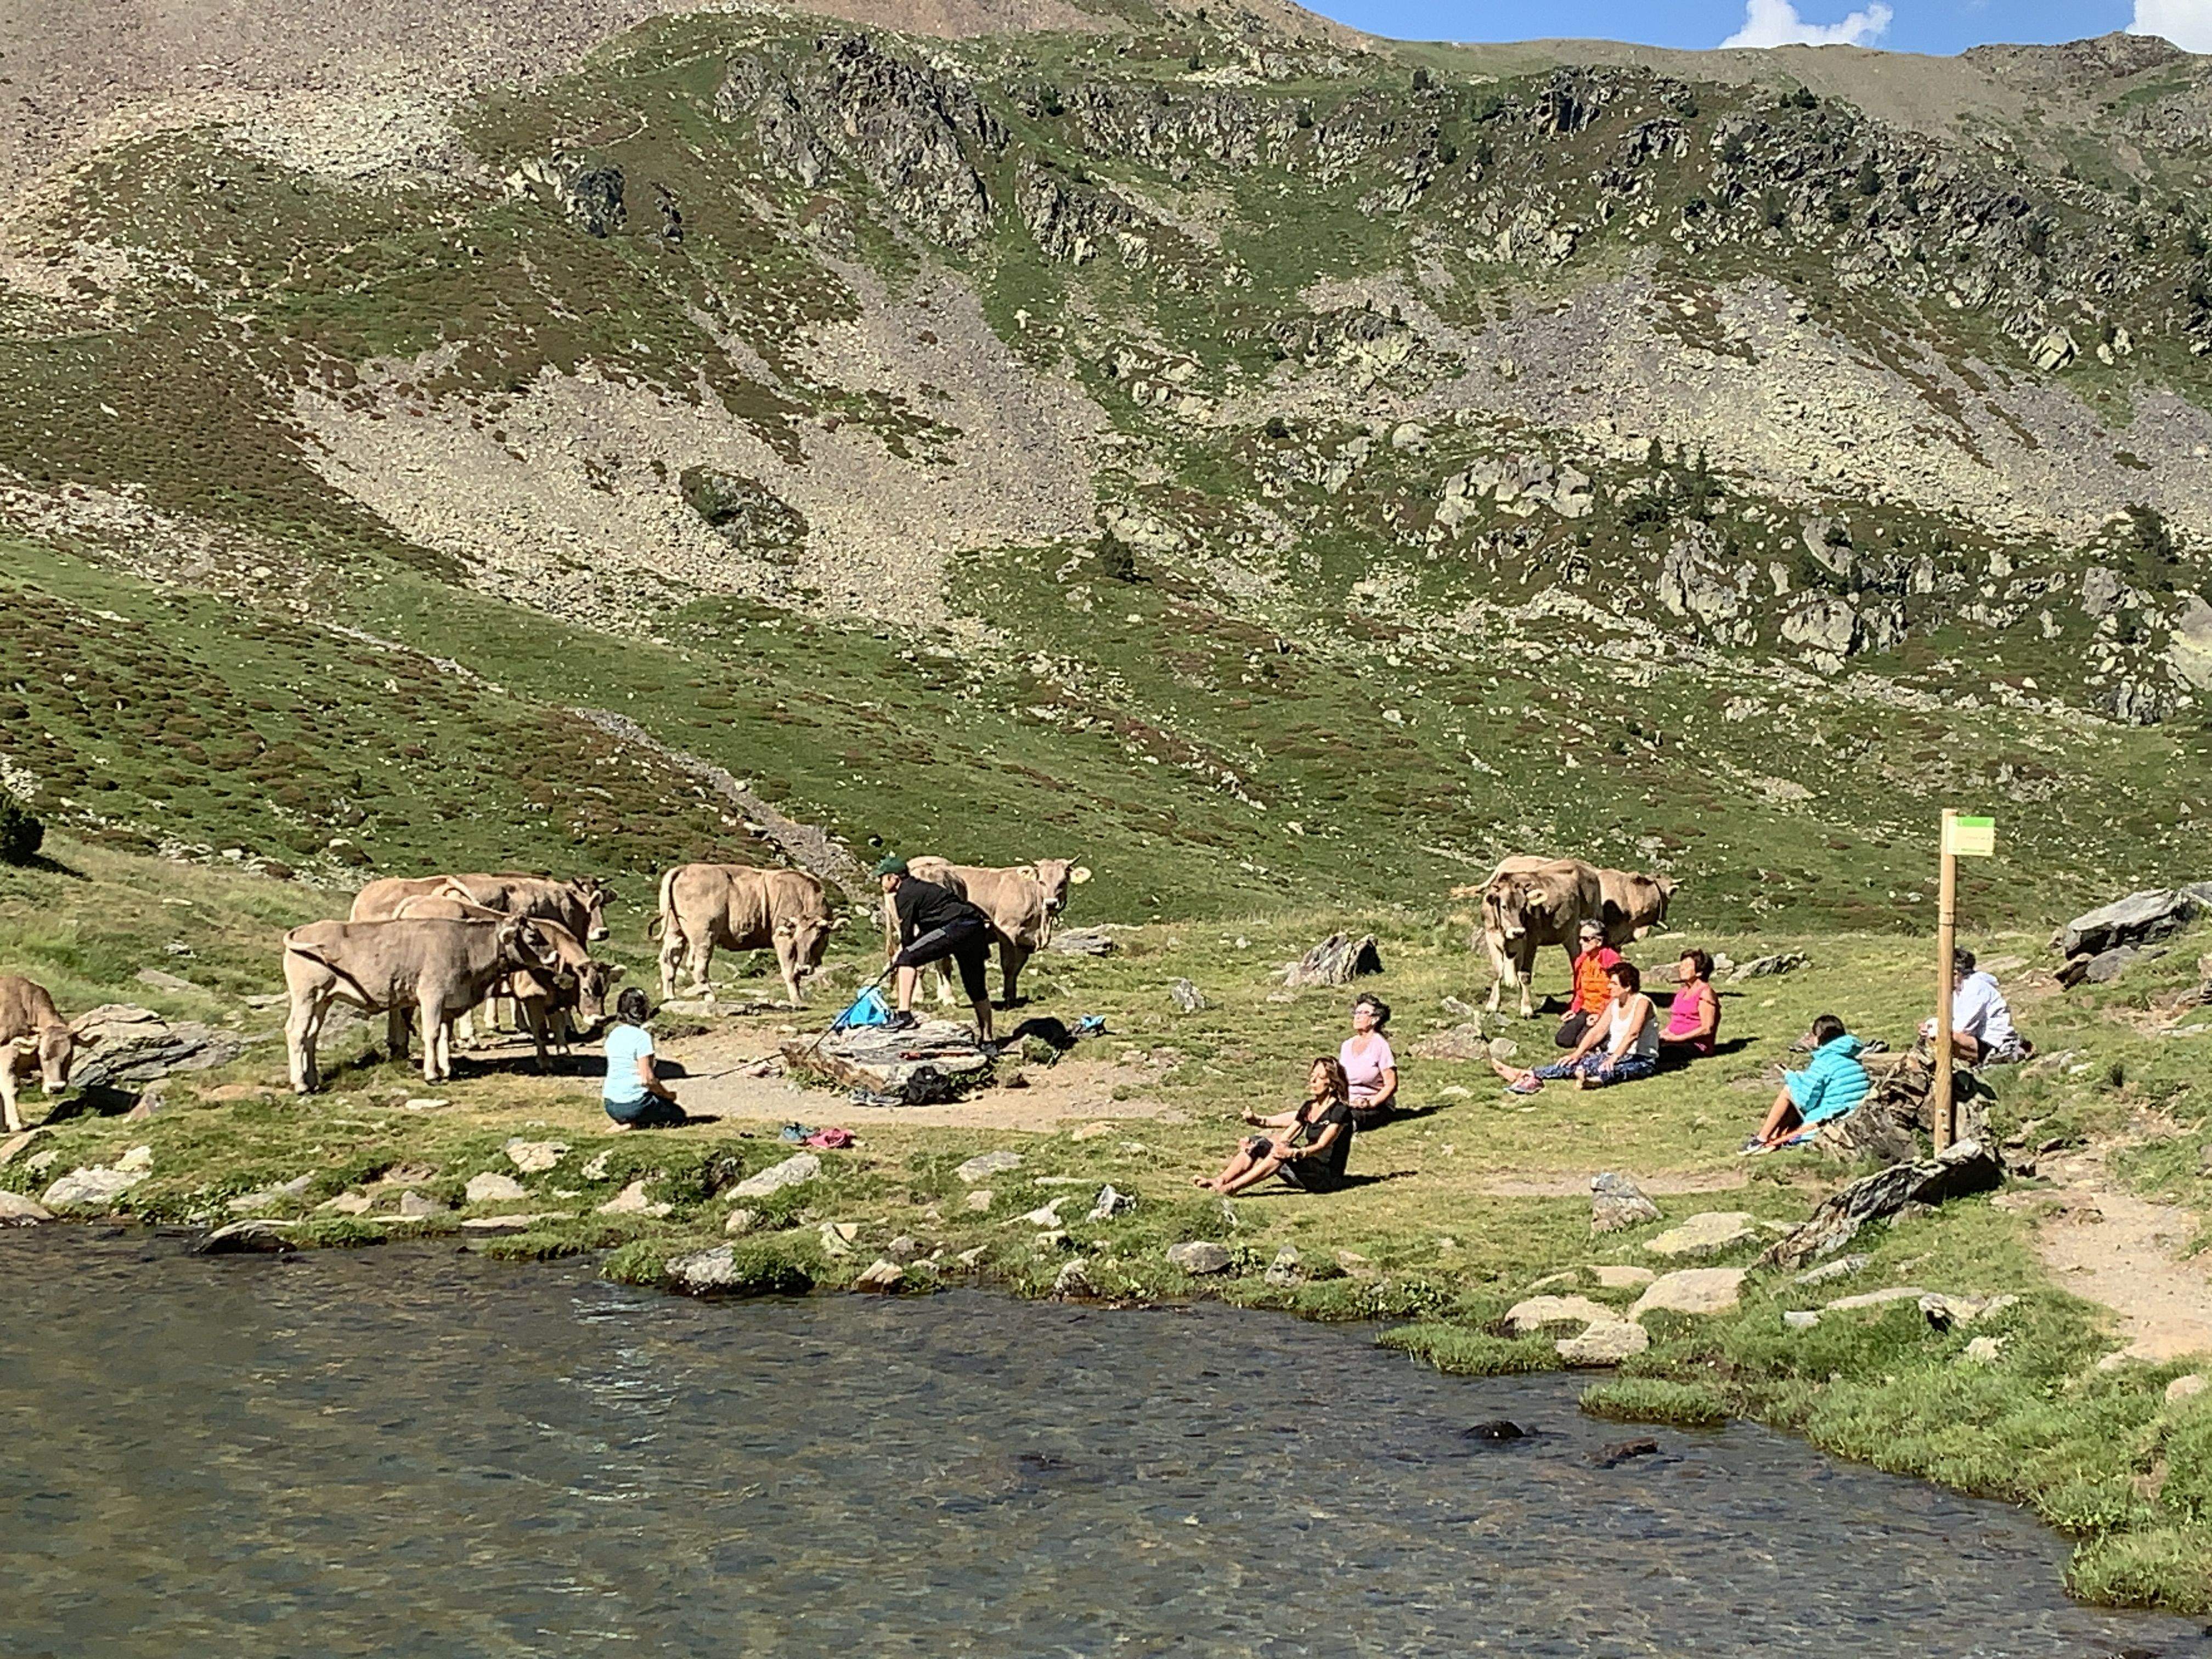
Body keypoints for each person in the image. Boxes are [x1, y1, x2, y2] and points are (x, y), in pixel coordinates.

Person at [878, 855, 996, 1044]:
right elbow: (927, 928)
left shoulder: (905, 894)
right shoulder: (922, 889)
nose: (880, 883)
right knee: (976, 988)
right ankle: (988, 1040)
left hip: (955, 928)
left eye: (882, 878)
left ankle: (904, 1016)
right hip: (973, 926)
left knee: (907, 959)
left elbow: (907, 934)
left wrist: (900, 957)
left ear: (894, 878)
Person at [1197, 1057, 1356, 1195]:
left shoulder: (1340, 1111)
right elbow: (1288, 1135)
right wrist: (1264, 1143)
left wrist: (1294, 1153)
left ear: (1332, 1084)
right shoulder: (1309, 1107)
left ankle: (1232, 1188)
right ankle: (1220, 1181)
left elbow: (1322, 1145)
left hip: (1326, 1177)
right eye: (1312, 1076)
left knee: (1281, 1153)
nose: (1312, 1081)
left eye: (1319, 1077)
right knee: (1258, 1142)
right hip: (1305, 1172)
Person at [1492, 961, 1658, 1093]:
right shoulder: (1614, 1004)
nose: (1609, 987)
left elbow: (1633, 1034)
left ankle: (1592, 1082)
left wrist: (1613, 1058)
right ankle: (1527, 1073)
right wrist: (1577, 1054)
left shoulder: (1642, 1002)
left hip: (1640, 1058)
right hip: (1613, 1054)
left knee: (1615, 1069)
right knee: (1579, 1063)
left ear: (1628, 986)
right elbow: (1598, 1031)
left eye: (1614, 984)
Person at [1745, 1014, 1868, 1153]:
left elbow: (1805, 1101)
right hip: (1851, 1117)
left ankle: (1761, 1139)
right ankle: (1774, 1138)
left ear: (1819, 1037)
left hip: (1826, 1122)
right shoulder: (1853, 1060)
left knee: (1789, 1091)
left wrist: (1791, 1077)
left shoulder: (1823, 1063)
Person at [1919, 949, 2030, 1065]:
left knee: (1945, 1036)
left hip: (1994, 1044)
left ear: (1955, 973)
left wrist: (1935, 1028)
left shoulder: (1975, 988)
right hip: (1979, 1040)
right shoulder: (1959, 991)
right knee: (1935, 1034)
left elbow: (1962, 1028)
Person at [602, 988, 685, 1130]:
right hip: (635, 1104)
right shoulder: (642, 1038)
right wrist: (667, 1095)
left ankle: (625, 1121)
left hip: (610, 1103)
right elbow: (647, 1079)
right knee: (678, 1115)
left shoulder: (614, 1034)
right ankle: (633, 1122)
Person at [1555, 919, 1622, 1050]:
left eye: (1586, 939)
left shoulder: (1611, 959)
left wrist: (1601, 1016)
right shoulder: (1583, 960)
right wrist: (1574, 1011)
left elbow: (1618, 993)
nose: (1581, 942)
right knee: (1563, 1039)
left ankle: (1608, 1039)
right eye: (1580, 938)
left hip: (1607, 1011)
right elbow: (1580, 991)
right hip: (1587, 1009)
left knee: (1582, 1041)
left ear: (1599, 941)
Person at [1340, 992, 1398, 1125]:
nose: (1358, 1016)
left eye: (1364, 1013)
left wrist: (1371, 1103)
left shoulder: (1380, 1045)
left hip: (1375, 1107)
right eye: (1356, 1012)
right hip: (1348, 1103)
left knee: (1341, 1120)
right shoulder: (1347, 1045)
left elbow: (1391, 1084)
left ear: (1375, 1019)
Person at [1658, 948, 1721, 1062]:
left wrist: (1677, 1038)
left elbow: (1707, 1028)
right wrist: (1661, 1034)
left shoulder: (1705, 993)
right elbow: (1676, 1021)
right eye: (1682, 965)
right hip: (1673, 1040)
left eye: (1687, 966)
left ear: (1699, 971)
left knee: (1661, 1054)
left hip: (1695, 1045)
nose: (1682, 968)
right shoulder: (1682, 992)